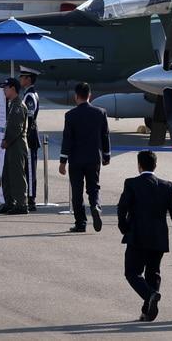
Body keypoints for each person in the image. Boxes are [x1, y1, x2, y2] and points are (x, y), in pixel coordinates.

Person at [118, 150, 172, 323]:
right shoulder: (166, 185)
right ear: (155, 165)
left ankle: (151, 295)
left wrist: (124, 228)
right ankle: (147, 312)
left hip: (137, 236)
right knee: (153, 273)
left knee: (132, 272)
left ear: (139, 166)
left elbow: (122, 208)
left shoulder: (131, 183)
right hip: (159, 237)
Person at [60, 82, 110, 232]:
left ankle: (80, 223)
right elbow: (105, 136)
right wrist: (106, 155)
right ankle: (95, 206)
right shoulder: (100, 113)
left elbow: (67, 139)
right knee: (93, 188)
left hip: (76, 160)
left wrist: (63, 161)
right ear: (90, 96)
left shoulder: (70, 115)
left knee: (77, 191)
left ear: (76, 97)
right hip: (93, 158)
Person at [0, 77, 29, 214]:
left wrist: (6, 140)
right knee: (7, 175)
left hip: (17, 144)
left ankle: (21, 204)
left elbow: (16, 127)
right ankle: (10, 202)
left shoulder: (18, 106)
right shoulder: (12, 104)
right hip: (12, 145)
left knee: (17, 175)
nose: (4, 90)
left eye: (6, 87)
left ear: (13, 89)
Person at [20, 67, 42, 210]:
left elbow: (30, 116)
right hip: (29, 134)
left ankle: (31, 198)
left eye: (22, 77)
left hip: (30, 135)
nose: (20, 79)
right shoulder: (28, 94)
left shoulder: (29, 96)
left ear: (28, 79)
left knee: (30, 169)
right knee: (27, 168)